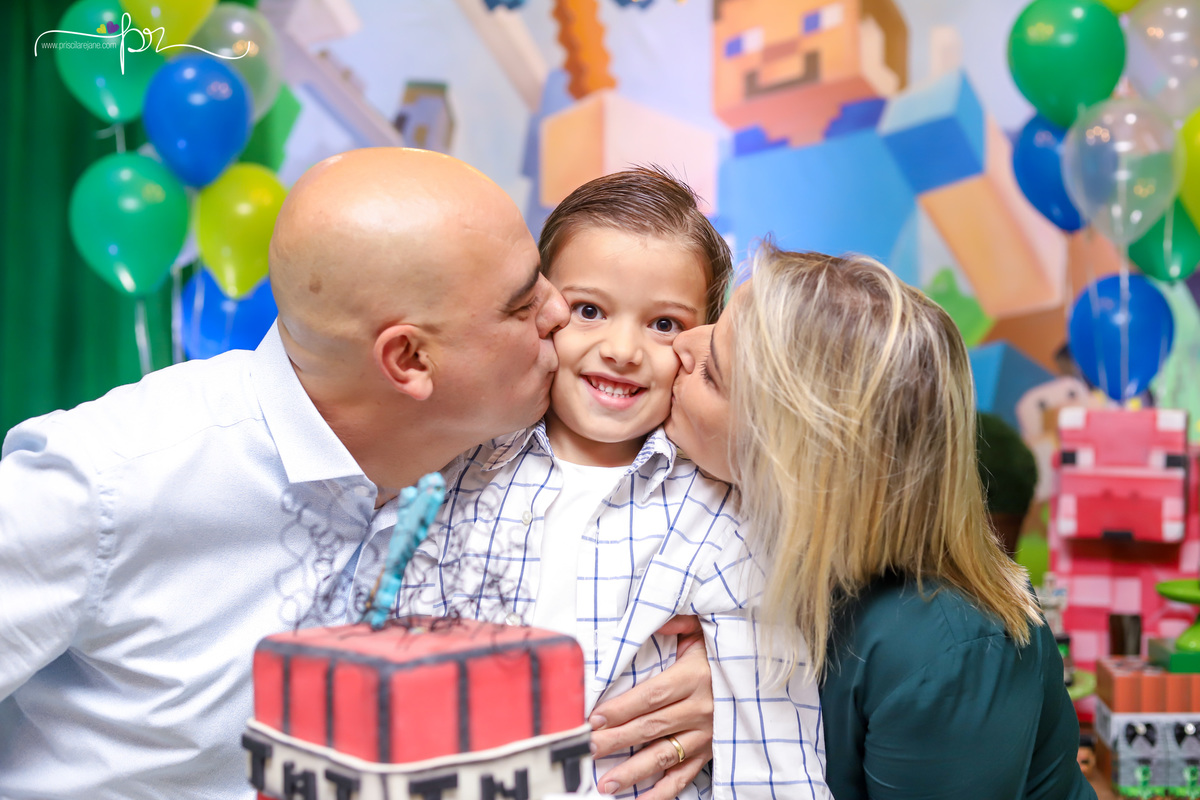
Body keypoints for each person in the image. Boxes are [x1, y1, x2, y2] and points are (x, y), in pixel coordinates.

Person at [0, 149, 713, 800]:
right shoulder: (108, 481)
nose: (561, 317)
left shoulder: (488, 445)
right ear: (409, 363)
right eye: (526, 303)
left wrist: (724, 670)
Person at [401, 169, 828, 800]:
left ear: (701, 342)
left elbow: (774, 750)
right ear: (540, 308)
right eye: (589, 311)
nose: (622, 349)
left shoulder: (722, 512)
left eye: (663, 324)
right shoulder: (458, 463)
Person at [667, 243, 1095, 799]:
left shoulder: (948, 648)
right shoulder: (724, 519)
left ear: (791, 462)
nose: (679, 344)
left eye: (712, 373)